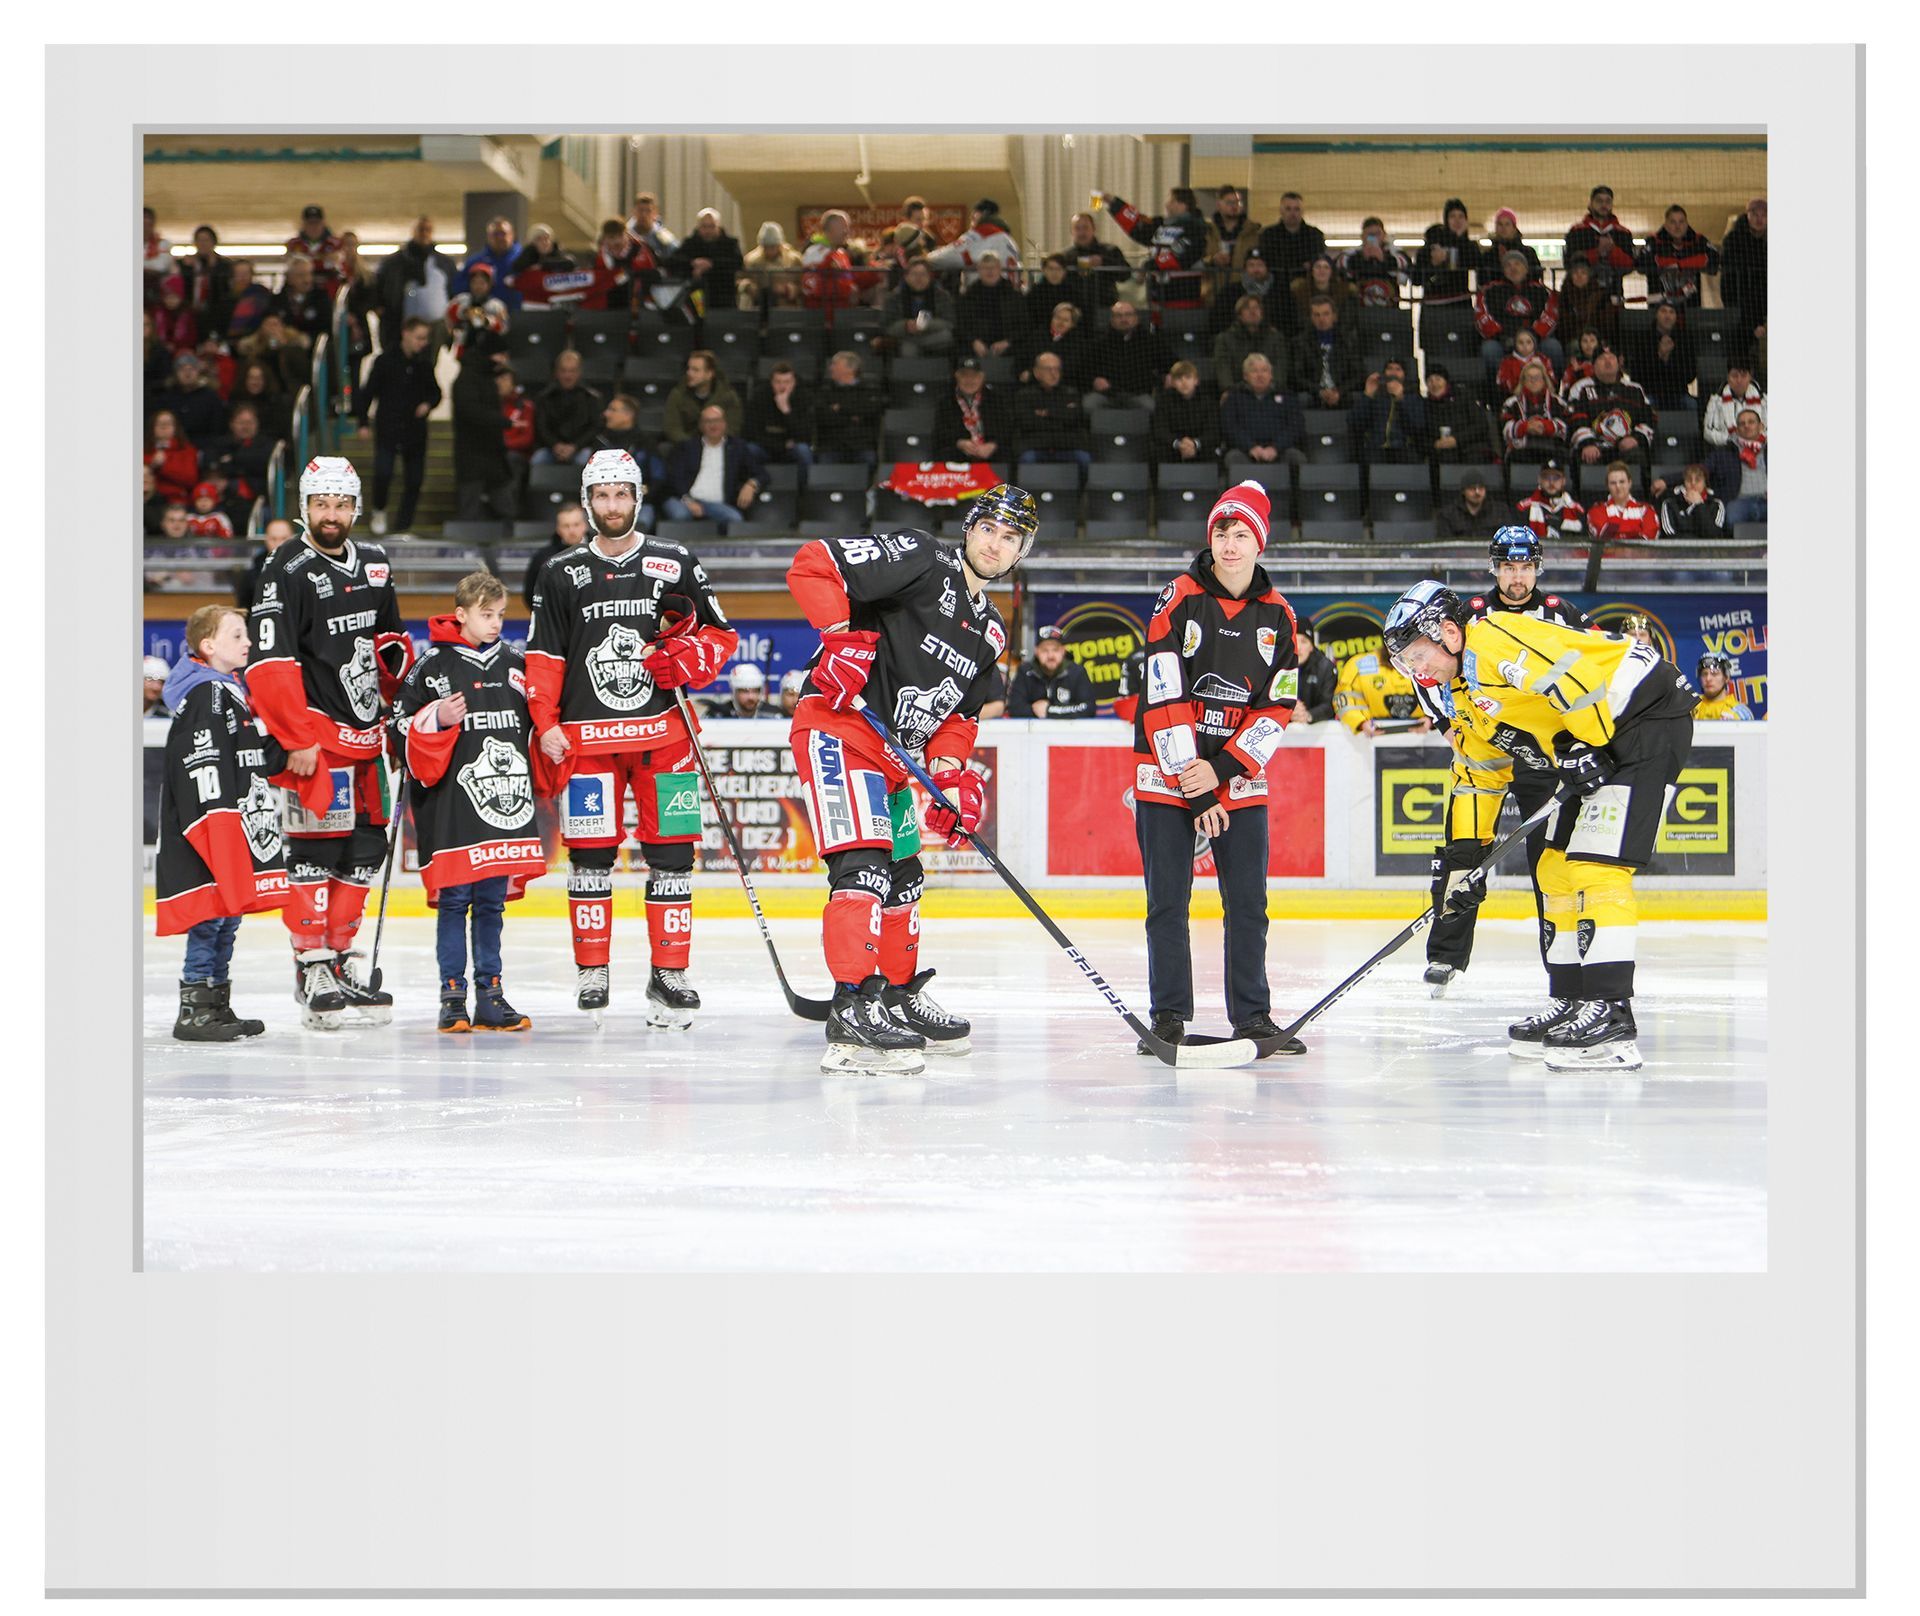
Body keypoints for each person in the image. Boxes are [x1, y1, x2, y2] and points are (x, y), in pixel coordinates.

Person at [1389, 579, 1697, 1072]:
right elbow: (1480, 773)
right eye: (1405, 663)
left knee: (1597, 867)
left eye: (1416, 654)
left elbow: (1570, 678)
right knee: (1554, 867)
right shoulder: (1462, 696)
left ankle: (1612, 1013)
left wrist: (1588, 744)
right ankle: (1573, 998)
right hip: (1602, 735)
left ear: (1448, 631)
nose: (1414, 669)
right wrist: (1465, 862)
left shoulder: (1491, 640)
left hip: (1647, 715)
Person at [784, 485, 1040, 1075]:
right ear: (969, 528)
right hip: (840, 730)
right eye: (989, 530)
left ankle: (894, 996)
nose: (995, 546)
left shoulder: (993, 630)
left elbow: (960, 714)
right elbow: (813, 564)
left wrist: (950, 776)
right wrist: (840, 640)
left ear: (1021, 552)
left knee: (904, 877)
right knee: (865, 867)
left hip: (898, 760)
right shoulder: (923, 557)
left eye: (1011, 539)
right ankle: (853, 1007)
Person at [525, 450, 738, 1026]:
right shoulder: (561, 570)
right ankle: (593, 970)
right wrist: (544, 722)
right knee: (590, 859)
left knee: (672, 857)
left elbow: (720, 637)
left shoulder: (675, 559)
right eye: (602, 495)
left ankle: (669, 973)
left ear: (638, 497)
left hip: (664, 739)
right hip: (587, 740)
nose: (612, 505)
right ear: (587, 501)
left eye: (622, 494)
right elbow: (544, 657)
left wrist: (685, 660)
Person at [1131, 480, 1303, 1053]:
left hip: (1237, 778)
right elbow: (1162, 694)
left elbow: (1276, 705)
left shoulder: (1280, 615)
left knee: (1249, 903)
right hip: (1165, 772)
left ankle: (1253, 1017)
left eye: (1242, 533)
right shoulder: (1177, 597)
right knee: (1167, 903)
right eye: (1222, 532)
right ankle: (1168, 1018)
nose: (1230, 544)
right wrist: (1194, 784)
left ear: (1261, 544)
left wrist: (1223, 771)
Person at [244, 457, 415, 1029]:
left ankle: (340, 961)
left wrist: (400, 710)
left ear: (356, 507)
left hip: (368, 736)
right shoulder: (284, 567)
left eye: (342, 504)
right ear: (304, 507)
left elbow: (389, 639)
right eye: (322, 504)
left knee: (365, 851)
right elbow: (272, 662)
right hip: (316, 736)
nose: (332, 515)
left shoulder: (373, 562)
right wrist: (294, 736)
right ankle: (310, 963)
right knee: (314, 848)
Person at [1419, 527, 1595, 998]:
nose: (1517, 578)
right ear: (1493, 567)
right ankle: (1445, 957)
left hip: (1542, 752)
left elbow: (1596, 663)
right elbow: (1422, 663)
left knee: (1550, 862)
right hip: (1484, 749)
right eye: (1508, 567)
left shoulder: (1562, 614)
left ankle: (1562, 970)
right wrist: (1445, 724)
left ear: (1537, 567)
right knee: (1462, 853)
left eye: (1524, 567)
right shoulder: (1467, 615)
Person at [394, 571, 549, 1034]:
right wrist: (434, 717)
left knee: (490, 904)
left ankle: (491, 995)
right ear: (460, 615)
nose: (496, 623)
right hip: (451, 808)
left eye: (501, 615)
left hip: (505, 807)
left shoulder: (518, 665)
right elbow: (397, 727)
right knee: (453, 900)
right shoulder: (431, 667)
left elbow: (543, 719)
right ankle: (451, 998)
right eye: (486, 615)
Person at [155, 604, 290, 1041]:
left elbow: (254, 759)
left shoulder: (229, 689)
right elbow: (203, 765)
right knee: (212, 916)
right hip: (216, 824)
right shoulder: (207, 694)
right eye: (237, 635)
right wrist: (217, 825)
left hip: (235, 822)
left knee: (228, 915)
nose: (248, 642)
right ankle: (194, 1010)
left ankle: (216, 1004)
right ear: (208, 646)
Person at [352, 315, 442, 537]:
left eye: (425, 339)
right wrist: (363, 422)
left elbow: (436, 392)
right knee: (383, 472)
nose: (422, 343)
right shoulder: (385, 361)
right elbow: (368, 393)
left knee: (415, 479)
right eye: (419, 337)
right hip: (388, 427)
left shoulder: (424, 363)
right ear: (406, 334)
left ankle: (404, 525)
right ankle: (379, 509)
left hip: (415, 430)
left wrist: (428, 404)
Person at [1093, 186, 1209, 309]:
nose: (1166, 205)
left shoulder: (1196, 228)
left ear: (1182, 205)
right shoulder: (1161, 225)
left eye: (1171, 201)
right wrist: (1113, 202)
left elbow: (1182, 255)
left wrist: (1149, 266)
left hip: (1183, 297)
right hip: (1157, 297)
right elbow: (1138, 224)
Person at [662, 404, 765, 528]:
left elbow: (761, 473)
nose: (713, 425)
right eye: (708, 421)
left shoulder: (737, 447)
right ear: (701, 425)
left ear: (725, 423)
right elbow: (674, 478)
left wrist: (751, 484)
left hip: (716, 504)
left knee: (734, 519)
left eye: (717, 420)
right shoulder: (686, 447)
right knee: (680, 515)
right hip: (683, 499)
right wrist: (688, 501)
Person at [1475, 249, 1562, 384]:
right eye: (1508, 265)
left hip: (1535, 340)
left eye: (1517, 264)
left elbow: (1551, 315)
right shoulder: (1489, 290)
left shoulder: (1542, 291)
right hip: (1502, 340)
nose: (1513, 268)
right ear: (1503, 270)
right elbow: (1481, 317)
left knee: (1553, 347)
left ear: (1526, 268)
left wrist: (1532, 336)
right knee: (1489, 350)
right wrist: (1501, 336)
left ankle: (1552, 393)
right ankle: (1496, 396)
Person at [452, 346, 517, 523]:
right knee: (470, 508)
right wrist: (504, 422)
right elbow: (472, 412)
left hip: (493, 454)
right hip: (473, 454)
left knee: (504, 506)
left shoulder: (480, 381)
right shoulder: (469, 382)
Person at [1565, 348, 1654, 468]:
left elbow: (1649, 418)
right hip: (1594, 448)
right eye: (1602, 358)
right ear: (1593, 364)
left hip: (1626, 449)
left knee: (1638, 456)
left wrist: (1636, 439)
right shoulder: (1581, 387)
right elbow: (1575, 419)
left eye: (1611, 358)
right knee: (1584, 457)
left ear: (1618, 363)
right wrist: (1587, 443)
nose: (1608, 362)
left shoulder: (1635, 389)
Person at [376, 218, 453, 349]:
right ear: (413, 232)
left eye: (427, 230)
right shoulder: (393, 263)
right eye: (421, 229)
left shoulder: (444, 263)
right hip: (398, 325)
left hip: (434, 326)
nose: (424, 233)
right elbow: (379, 288)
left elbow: (452, 291)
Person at [1084, 299, 1172, 413]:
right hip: (1106, 395)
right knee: (1088, 405)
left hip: (1138, 394)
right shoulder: (1099, 343)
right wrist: (1094, 380)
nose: (1124, 319)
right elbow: (1084, 369)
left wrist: (1169, 375)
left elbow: (1172, 363)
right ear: (1111, 319)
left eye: (1128, 315)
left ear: (1136, 318)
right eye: (1118, 315)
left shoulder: (1151, 342)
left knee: (1151, 407)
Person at [1013, 351, 1092, 474]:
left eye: (1057, 369)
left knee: (1084, 459)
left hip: (1067, 446)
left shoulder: (1071, 393)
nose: (1053, 374)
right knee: (1026, 459)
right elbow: (1027, 422)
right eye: (1048, 369)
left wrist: (1046, 413)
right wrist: (1060, 415)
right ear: (1036, 372)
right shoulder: (1024, 395)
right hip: (1036, 447)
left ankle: (1080, 493)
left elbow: (1075, 419)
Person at [1221, 352, 1304, 468]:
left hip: (1279, 451)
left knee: (1295, 457)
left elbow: (1296, 426)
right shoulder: (1234, 397)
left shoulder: (1287, 396)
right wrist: (1250, 447)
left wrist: (1275, 448)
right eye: (1254, 371)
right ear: (1245, 376)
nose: (1260, 375)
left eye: (1264, 370)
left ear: (1271, 374)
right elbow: (1229, 427)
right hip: (1246, 452)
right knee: (1233, 458)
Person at [1637, 204, 1720, 311]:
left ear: (1686, 223)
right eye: (1673, 222)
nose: (1677, 226)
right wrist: (1694, 262)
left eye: (1681, 222)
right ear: (1666, 224)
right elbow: (1640, 264)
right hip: (1660, 309)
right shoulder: (1653, 241)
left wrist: (1679, 265)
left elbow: (1715, 259)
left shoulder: (1699, 240)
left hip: (1691, 308)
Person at [1288, 295, 1365, 410]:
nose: (1321, 319)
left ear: (1334, 316)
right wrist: (1319, 391)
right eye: (1316, 315)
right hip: (1312, 394)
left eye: (1326, 314)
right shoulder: (1299, 342)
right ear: (1311, 318)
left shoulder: (1348, 341)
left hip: (1343, 394)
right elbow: (1296, 376)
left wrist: (1339, 391)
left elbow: (1359, 374)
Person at [924, 197, 1024, 286]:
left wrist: (924, 259)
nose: (971, 224)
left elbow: (951, 255)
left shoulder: (982, 234)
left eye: (972, 218)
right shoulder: (1010, 241)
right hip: (1010, 297)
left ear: (978, 215)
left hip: (986, 297)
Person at [1562, 185, 1639, 300]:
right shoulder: (1577, 231)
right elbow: (1570, 263)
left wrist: (1612, 250)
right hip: (1582, 297)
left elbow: (1630, 265)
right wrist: (1598, 252)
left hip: (1614, 296)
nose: (1604, 205)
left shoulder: (1623, 232)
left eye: (1608, 201)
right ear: (1591, 204)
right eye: (1599, 201)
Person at [812, 351, 884, 469]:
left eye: (835, 364)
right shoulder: (825, 390)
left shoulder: (869, 390)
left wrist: (840, 408)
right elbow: (822, 416)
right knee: (824, 462)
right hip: (831, 444)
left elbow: (871, 411)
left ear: (851, 369)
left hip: (860, 444)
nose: (831, 368)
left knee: (868, 459)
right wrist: (853, 416)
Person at [1005, 625, 1096, 718]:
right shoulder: (1025, 672)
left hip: (1068, 731)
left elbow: (1089, 709)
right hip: (1034, 731)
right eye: (1045, 650)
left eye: (1055, 650)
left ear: (1063, 651)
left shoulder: (1077, 672)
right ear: (1037, 651)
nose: (1050, 656)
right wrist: (1038, 711)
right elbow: (1014, 709)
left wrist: (1050, 711)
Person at [1334, 646, 1428, 736]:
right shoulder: (1359, 665)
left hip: (1427, 741)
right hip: (1370, 742)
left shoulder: (1428, 662)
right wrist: (1360, 723)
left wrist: (1433, 720)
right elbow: (1343, 700)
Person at [744, 360, 816, 475]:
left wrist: (786, 411)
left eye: (787, 382)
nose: (782, 386)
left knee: (803, 450)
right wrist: (781, 445)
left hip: (791, 449)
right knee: (750, 449)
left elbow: (805, 434)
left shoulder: (804, 397)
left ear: (794, 383)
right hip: (766, 447)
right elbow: (751, 432)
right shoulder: (759, 396)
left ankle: (806, 490)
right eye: (778, 382)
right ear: (771, 382)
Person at [532, 349, 603, 467]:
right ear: (556, 372)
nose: (567, 376)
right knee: (538, 460)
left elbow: (595, 427)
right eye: (563, 371)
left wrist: (575, 446)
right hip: (551, 448)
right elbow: (541, 427)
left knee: (584, 460)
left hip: (581, 447)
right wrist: (555, 445)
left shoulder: (591, 398)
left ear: (579, 372)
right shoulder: (544, 397)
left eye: (572, 371)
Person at [934, 357, 1010, 465]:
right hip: (958, 456)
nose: (969, 380)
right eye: (964, 375)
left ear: (982, 377)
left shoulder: (996, 400)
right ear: (956, 376)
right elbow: (940, 434)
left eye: (974, 376)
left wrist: (993, 445)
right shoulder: (946, 402)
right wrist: (960, 443)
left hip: (992, 456)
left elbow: (1006, 430)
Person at [1352, 357, 1428, 464]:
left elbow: (1418, 425)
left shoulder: (1414, 398)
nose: (1393, 373)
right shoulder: (1375, 396)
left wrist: (1401, 399)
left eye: (1398, 369)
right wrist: (1367, 395)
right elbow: (1355, 423)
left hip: (1403, 449)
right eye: (1390, 368)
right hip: (1376, 448)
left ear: (1404, 374)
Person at [1059, 211, 1131, 322]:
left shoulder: (1110, 250)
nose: (1082, 232)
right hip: (1074, 311)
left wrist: (1104, 262)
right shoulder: (1065, 256)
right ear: (1071, 231)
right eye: (1077, 228)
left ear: (1094, 229)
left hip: (1105, 307)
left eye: (1085, 227)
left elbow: (1126, 274)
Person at [666, 209, 744, 313]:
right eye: (704, 227)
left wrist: (711, 264)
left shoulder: (730, 244)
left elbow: (737, 263)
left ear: (718, 226)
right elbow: (672, 261)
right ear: (698, 227)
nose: (708, 231)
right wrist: (693, 263)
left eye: (711, 226)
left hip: (724, 295)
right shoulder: (690, 243)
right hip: (696, 297)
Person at [663, 349, 744, 446]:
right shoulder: (678, 394)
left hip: (720, 446)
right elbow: (672, 428)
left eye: (695, 370)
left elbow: (733, 428)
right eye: (688, 369)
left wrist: (712, 443)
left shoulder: (728, 395)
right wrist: (693, 446)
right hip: (687, 445)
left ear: (709, 374)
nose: (689, 373)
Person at [954, 251, 1025, 360]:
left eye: (993, 267)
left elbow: (1023, 325)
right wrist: (974, 341)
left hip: (1007, 343)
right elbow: (961, 324)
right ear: (979, 270)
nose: (990, 271)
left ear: (1000, 269)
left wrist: (1008, 341)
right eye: (985, 268)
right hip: (975, 344)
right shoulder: (969, 295)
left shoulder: (1013, 295)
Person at [1500, 359, 1570, 466]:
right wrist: (1526, 427)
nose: (1533, 381)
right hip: (1521, 451)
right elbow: (1505, 429)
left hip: (1552, 449)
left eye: (1537, 377)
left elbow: (1566, 426)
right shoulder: (1511, 402)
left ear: (1544, 380)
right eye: (1529, 378)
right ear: (1522, 380)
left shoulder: (1557, 402)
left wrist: (1545, 426)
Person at [520, 502, 589, 612]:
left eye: (576, 524)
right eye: (566, 526)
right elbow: (531, 595)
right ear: (558, 529)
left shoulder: (602, 553)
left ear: (585, 525)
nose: (571, 531)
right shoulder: (542, 559)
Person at [883, 258, 957, 357]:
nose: (919, 278)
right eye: (914, 274)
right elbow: (887, 326)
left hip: (933, 335)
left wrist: (925, 325)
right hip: (905, 337)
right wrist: (906, 326)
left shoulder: (941, 295)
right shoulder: (894, 297)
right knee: (907, 348)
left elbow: (949, 322)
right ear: (906, 277)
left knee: (946, 336)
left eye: (923, 274)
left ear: (929, 277)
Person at [1424, 365, 1496, 464]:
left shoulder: (1464, 397)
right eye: (1430, 381)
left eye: (1438, 379)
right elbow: (1422, 433)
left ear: (1446, 382)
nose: (1434, 384)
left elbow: (1481, 426)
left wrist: (1456, 439)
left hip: (1471, 447)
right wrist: (1435, 444)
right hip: (1442, 452)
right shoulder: (1425, 405)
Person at [1719, 198, 1768, 346]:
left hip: (1761, 305)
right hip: (1738, 303)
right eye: (1755, 214)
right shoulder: (1733, 240)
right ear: (1748, 215)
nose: (1759, 219)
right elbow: (1729, 278)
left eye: (1764, 215)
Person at [1707, 409, 1768, 525]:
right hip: (1739, 501)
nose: (1746, 426)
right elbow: (1701, 470)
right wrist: (1666, 480)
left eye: (1751, 422)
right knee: (1732, 517)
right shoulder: (1725, 451)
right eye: (1742, 423)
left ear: (1761, 426)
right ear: (1737, 430)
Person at [1156, 359, 1222, 465]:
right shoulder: (1164, 401)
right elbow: (1160, 429)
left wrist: (1195, 444)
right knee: (1159, 452)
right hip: (1173, 447)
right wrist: (1179, 444)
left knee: (1212, 453)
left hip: (1200, 447)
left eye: (1188, 377)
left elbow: (1213, 431)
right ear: (1173, 382)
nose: (1184, 382)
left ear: (1196, 380)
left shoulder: (1208, 402)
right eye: (1179, 378)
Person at [1255, 191, 1328, 285]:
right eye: (1288, 209)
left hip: (1306, 286)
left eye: (1297, 209)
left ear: (1302, 211)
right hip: (1275, 286)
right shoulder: (1268, 235)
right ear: (1281, 211)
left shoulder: (1315, 235)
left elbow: (1319, 259)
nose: (1292, 213)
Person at [1339, 217, 1412, 307]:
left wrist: (1384, 259)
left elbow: (1404, 276)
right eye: (1369, 234)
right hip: (1360, 311)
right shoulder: (1351, 253)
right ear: (1362, 236)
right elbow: (1341, 267)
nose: (1373, 238)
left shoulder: (1395, 252)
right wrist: (1362, 258)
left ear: (1384, 235)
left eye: (1377, 234)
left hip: (1390, 311)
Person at [1586, 461, 1660, 544]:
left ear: (1630, 483)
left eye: (1622, 482)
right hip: (1608, 556)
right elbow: (1603, 538)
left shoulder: (1646, 510)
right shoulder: (1596, 511)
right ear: (1607, 486)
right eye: (1613, 483)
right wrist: (1635, 531)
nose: (1618, 486)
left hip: (1638, 556)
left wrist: (1616, 529)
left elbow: (1649, 539)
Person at [234, 515, 296, 613]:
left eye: (284, 538)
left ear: (293, 538)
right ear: (266, 539)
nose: (279, 544)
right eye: (273, 539)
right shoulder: (252, 573)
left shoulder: (306, 568)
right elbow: (244, 608)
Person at [1515, 456, 1586, 540]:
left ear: (1564, 481)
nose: (1551, 482)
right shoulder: (1524, 508)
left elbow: (1584, 542)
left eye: (1556, 477)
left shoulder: (1576, 510)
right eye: (1546, 477)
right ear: (1539, 480)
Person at [738, 221, 804, 308]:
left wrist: (788, 289)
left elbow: (804, 284)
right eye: (765, 247)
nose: (769, 251)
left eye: (772, 247)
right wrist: (748, 287)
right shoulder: (751, 260)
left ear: (780, 244)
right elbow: (739, 279)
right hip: (759, 307)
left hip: (786, 308)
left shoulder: (793, 260)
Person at [1704, 358, 1766, 448]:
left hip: (1761, 449)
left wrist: (1754, 439)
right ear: (1728, 377)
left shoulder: (1764, 399)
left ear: (1750, 377)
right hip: (1728, 449)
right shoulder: (1716, 400)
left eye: (1744, 375)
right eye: (1734, 376)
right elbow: (1707, 433)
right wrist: (1732, 440)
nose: (1739, 380)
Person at [1654, 463, 1728, 537]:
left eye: (1698, 480)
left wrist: (1699, 504)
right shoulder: (1670, 503)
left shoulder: (1716, 504)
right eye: (1689, 480)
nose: (1693, 483)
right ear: (1684, 482)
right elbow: (1670, 535)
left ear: (1705, 483)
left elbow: (1713, 534)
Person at [1289, 615, 1338, 726]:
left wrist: (1307, 715)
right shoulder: (1276, 666)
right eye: (1294, 641)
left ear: (1312, 646)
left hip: (1319, 736)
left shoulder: (1325, 667)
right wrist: (1288, 711)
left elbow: (1330, 706)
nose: (1299, 648)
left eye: (1304, 641)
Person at [1284, 255, 1352, 335]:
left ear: (1331, 272)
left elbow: (1346, 322)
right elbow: (1299, 321)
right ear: (1312, 271)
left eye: (1326, 267)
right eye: (1318, 267)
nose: (1321, 271)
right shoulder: (1299, 292)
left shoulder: (1344, 292)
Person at [1206, 184, 1262, 279]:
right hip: (1215, 286)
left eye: (1237, 202)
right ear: (1219, 205)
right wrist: (1212, 260)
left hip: (1243, 286)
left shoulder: (1253, 232)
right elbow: (1199, 260)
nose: (1234, 206)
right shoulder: (1208, 231)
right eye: (1229, 203)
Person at [284, 205, 341, 294]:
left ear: (323, 223)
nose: (314, 227)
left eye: (317, 223)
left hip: (330, 291)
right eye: (310, 223)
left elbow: (338, 266)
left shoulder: (335, 244)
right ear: (303, 224)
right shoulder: (293, 244)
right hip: (301, 291)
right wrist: (322, 259)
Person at [1436, 468, 1502, 539]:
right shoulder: (1447, 515)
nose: (1477, 492)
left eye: (1481, 488)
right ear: (1463, 491)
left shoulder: (1499, 511)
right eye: (1472, 488)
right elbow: (1445, 545)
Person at [704, 662, 779, 720]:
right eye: (744, 691)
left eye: (755, 691)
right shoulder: (717, 715)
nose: (751, 697)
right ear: (733, 692)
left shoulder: (774, 715)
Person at [1692, 654, 1754, 721]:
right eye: (1704, 674)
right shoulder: (1691, 704)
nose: (1708, 678)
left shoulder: (1740, 712)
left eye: (1714, 674)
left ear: (1726, 678)